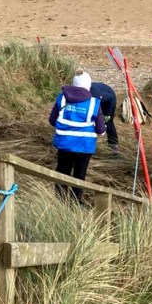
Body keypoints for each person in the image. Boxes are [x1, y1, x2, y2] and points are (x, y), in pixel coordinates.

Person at [48, 70, 106, 204]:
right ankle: (75, 204)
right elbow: (100, 129)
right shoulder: (94, 103)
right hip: (84, 147)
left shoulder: (61, 98)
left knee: (62, 172)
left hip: (64, 144)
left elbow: (52, 120)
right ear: (89, 86)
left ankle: (60, 202)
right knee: (79, 175)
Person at [90, 80, 119, 154]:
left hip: (108, 99)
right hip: (97, 99)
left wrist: (107, 114)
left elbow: (111, 98)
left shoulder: (96, 94)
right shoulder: (80, 94)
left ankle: (114, 148)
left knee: (108, 122)